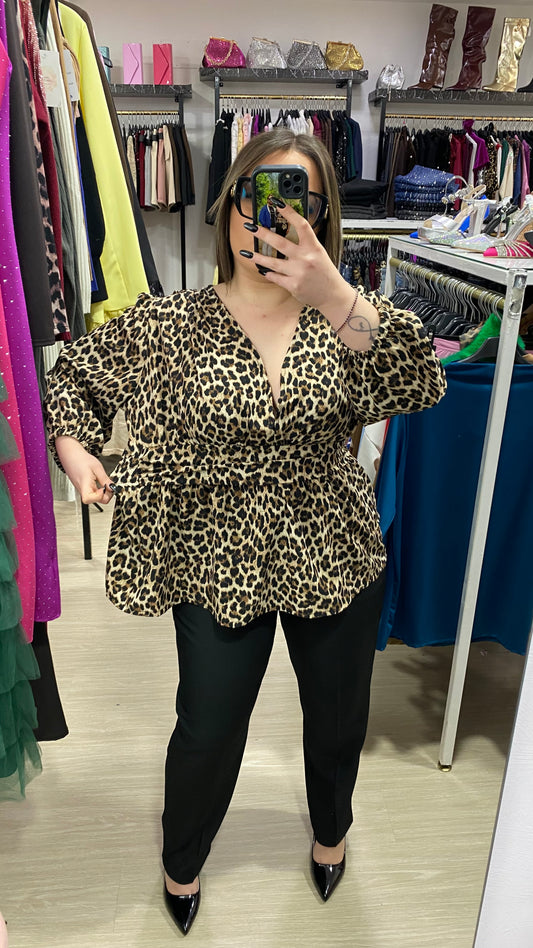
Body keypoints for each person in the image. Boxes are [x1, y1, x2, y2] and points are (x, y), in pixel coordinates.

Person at [44, 129, 446, 937]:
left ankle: (331, 835)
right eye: (254, 195)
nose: (269, 216)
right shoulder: (170, 322)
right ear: (227, 205)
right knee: (209, 723)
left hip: (330, 543)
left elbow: (420, 381)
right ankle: (181, 859)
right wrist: (75, 450)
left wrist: (335, 294)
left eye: (296, 199)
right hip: (212, 550)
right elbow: (73, 381)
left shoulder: (345, 316)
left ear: (320, 217)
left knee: (337, 716)